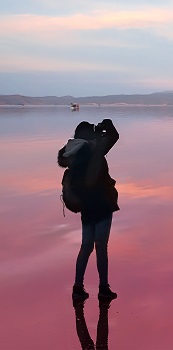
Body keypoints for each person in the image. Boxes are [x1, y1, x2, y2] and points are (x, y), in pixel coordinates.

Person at [58, 119, 120, 301]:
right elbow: (114, 135)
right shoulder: (95, 150)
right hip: (102, 204)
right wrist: (105, 124)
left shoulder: (73, 154)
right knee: (101, 247)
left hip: (87, 207)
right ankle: (103, 288)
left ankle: (78, 288)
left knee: (86, 247)